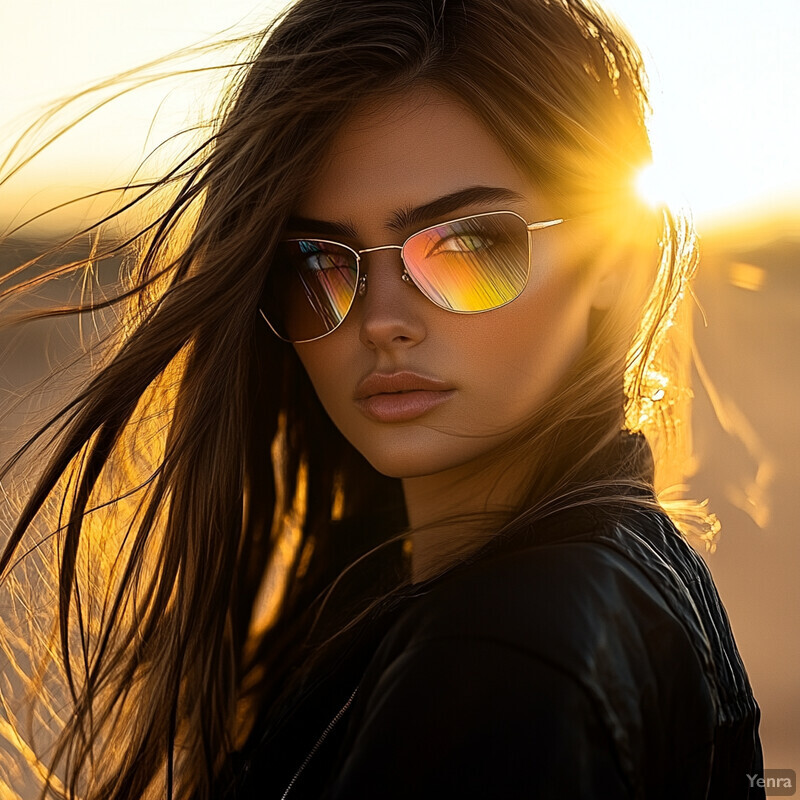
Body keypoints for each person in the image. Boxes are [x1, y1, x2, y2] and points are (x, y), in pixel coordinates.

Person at [0, 0, 765, 798]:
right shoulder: (601, 580)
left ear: (615, 258)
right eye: (320, 261)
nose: (382, 322)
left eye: (467, 245)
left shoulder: (509, 658)